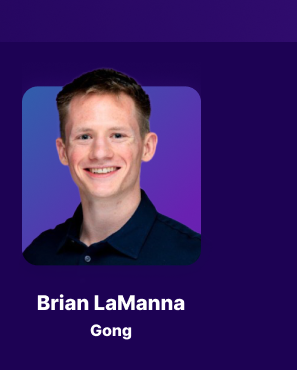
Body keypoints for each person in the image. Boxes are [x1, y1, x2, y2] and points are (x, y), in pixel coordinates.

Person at [24, 69, 200, 265]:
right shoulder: (37, 256)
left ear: (147, 147)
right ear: (63, 151)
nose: (100, 153)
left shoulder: (192, 257)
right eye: (84, 137)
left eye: (117, 135)